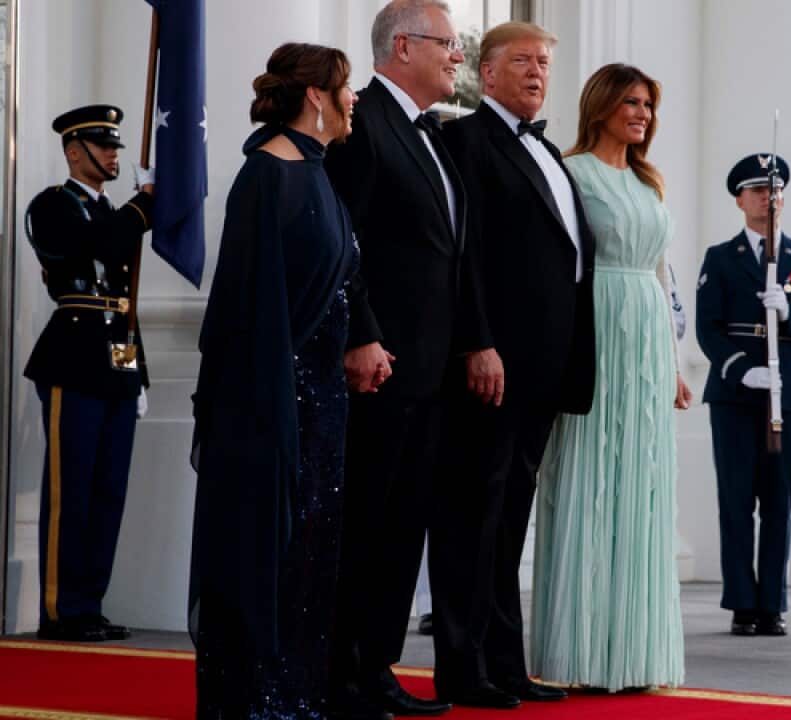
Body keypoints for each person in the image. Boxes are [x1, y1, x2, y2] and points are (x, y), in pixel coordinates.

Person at [189, 43, 362, 718]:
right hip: (275, 405)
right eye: (347, 87)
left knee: (311, 558)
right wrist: (273, 406)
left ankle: (297, 698)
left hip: (321, 403)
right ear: (317, 96)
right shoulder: (266, 174)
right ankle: (261, 702)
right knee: (273, 552)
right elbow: (244, 310)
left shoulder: (318, 170)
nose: (354, 100)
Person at [435, 20, 596, 709]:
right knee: (473, 518)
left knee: (507, 524)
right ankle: (462, 668)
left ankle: (505, 663)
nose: (536, 73)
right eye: (523, 61)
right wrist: (477, 343)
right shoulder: (464, 140)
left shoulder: (548, 149)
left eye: (544, 64)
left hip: (542, 369)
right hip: (491, 365)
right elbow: (463, 254)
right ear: (488, 72)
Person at [321, 1, 463, 716]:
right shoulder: (363, 124)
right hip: (378, 365)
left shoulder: (431, 133)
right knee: (367, 524)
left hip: (429, 369)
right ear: (402, 46)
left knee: (404, 525)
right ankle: (341, 673)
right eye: (448, 43)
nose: (458, 57)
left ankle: (375, 667)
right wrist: (360, 334)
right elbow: (344, 243)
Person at [530, 63, 688, 692]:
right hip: (595, 329)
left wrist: (673, 363)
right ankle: (582, 652)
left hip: (647, 338)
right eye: (631, 102)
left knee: (642, 487)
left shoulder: (650, 183)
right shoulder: (571, 174)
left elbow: (662, 275)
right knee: (588, 477)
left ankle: (636, 654)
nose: (643, 114)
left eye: (648, 104)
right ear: (601, 106)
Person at [25, 104, 154, 643]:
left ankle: (90, 604)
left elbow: (121, 305)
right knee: (71, 490)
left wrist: (135, 373)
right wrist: (142, 207)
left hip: (114, 362)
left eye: (115, 146)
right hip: (73, 360)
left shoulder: (110, 212)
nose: (113, 155)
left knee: (107, 491)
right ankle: (61, 610)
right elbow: (99, 244)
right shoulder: (53, 205)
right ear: (74, 152)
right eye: (103, 146)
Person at [695, 153, 791, 637]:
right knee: (736, 500)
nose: (768, 199)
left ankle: (772, 603)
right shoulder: (721, 257)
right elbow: (708, 329)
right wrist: (741, 370)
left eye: (774, 191)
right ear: (740, 200)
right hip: (735, 394)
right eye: (757, 191)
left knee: (778, 502)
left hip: (784, 392)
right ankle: (742, 603)